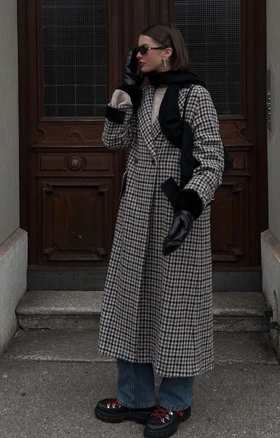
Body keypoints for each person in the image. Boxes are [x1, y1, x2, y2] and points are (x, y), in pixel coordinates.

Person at [94, 23, 225, 438]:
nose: (137, 56)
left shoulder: (194, 96)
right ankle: (134, 397)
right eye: (136, 52)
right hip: (136, 210)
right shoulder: (143, 94)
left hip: (177, 210)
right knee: (131, 298)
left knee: (177, 304)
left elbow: (212, 159)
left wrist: (190, 207)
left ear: (168, 52)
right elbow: (112, 140)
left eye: (144, 50)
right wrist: (124, 94)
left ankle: (175, 402)